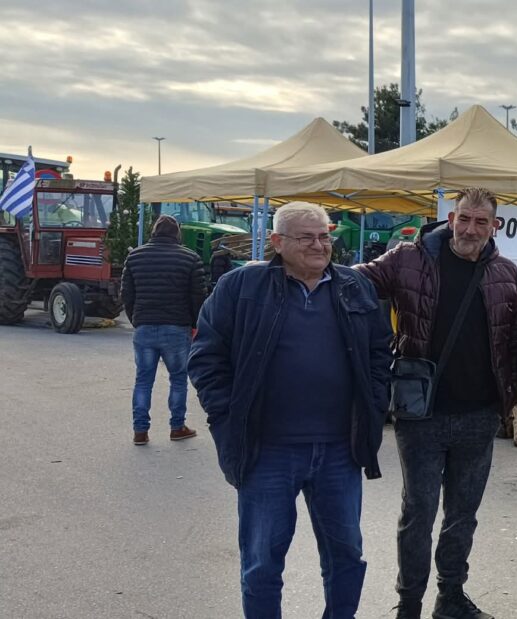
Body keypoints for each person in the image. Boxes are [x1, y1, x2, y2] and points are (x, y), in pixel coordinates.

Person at [188, 203, 392, 618]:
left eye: (324, 236)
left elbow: (378, 351)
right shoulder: (240, 287)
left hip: (340, 450)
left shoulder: (354, 285)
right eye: (306, 237)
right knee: (262, 562)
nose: (319, 245)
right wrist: (226, 419)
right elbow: (206, 358)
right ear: (277, 242)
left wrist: (373, 404)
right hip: (267, 451)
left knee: (346, 555)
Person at [355, 187, 517, 619]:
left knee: (463, 514)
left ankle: (450, 596)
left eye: (481, 222)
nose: (470, 229)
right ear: (451, 219)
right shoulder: (407, 259)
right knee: (419, 512)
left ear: (495, 226)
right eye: (464, 219)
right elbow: (352, 282)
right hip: (421, 414)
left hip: (480, 415)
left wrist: (514, 395)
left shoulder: (507, 275)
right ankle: (409, 603)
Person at [121, 214, 206, 446]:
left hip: (144, 327)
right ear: (177, 233)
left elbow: (126, 294)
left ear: (153, 231)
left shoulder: (135, 256)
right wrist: (195, 325)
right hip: (177, 327)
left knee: (143, 380)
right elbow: (198, 296)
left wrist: (136, 319)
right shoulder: (190, 258)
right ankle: (177, 427)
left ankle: (140, 431)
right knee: (178, 379)